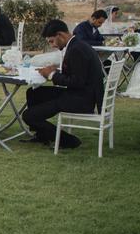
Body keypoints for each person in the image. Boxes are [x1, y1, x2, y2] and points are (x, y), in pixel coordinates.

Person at [21, 19, 105, 148]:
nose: (52, 45)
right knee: (34, 93)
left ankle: (69, 141)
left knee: (28, 116)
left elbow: (77, 82)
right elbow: (77, 74)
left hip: (82, 100)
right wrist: (56, 71)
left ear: (60, 35)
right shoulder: (77, 45)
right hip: (81, 93)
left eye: (52, 41)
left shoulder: (77, 49)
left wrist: (51, 75)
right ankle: (42, 135)